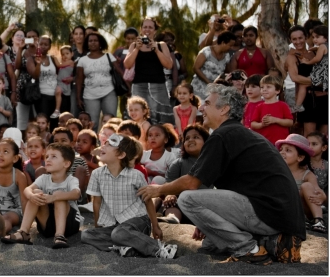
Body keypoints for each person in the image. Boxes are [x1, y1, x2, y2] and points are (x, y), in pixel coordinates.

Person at [138, 84, 306, 265]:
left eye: (208, 103)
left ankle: (250, 249)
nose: (202, 107)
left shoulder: (222, 135)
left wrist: (158, 190)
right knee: (211, 243)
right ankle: (274, 243)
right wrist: (208, 222)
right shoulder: (239, 133)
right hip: (282, 216)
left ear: (224, 109)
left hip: (269, 213)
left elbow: (191, 183)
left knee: (187, 199)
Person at [81, 134, 177, 259]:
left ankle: (159, 248)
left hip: (139, 221)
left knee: (119, 233)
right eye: (105, 143)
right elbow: (97, 202)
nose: (104, 146)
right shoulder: (97, 174)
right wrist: (98, 226)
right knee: (86, 235)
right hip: (115, 225)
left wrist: (155, 226)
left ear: (121, 155)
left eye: (110, 145)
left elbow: (147, 201)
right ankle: (125, 246)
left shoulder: (136, 175)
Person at [2, 143, 83, 249]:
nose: (48, 159)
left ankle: (60, 236)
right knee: (36, 193)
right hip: (47, 226)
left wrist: (54, 197)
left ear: (66, 164)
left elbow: (76, 194)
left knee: (59, 195)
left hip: (70, 225)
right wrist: (31, 196)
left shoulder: (71, 180)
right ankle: (23, 232)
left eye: (53, 156)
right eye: (47, 156)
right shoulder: (44, 178)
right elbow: (27, 189)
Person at [123, 18, 174, 125]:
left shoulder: (161, 45)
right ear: (141, 29)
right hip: (139, 86)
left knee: (161, 118)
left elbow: (169, 65)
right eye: (145, 27)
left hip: (158, 86)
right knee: (138, 117)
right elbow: (127, 65)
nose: (147, 29)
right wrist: (137, 48)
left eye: (150, 27)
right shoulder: (134, 45)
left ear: (155, 31)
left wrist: (156, 49)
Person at [276, 134, 327, 233]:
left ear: (300, 157)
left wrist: (322, 196)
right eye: (281, 149)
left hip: (304, 210)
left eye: (288, 150)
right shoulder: (278, 172)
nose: (282, 152)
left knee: (306, 186)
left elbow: (317, 191)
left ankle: (318, 220)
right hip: (287, 210)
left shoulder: (306, 174)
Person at [160, 125, 210, 224]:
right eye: (187, 138)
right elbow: (168, 185)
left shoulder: (213, 163)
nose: (190, 140)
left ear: (206, 143)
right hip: (182, 206)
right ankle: (173, 218)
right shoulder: (178, 163)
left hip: (205, 204)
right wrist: (170, 195)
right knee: (171, 202)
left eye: (196, 137)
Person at [76, 32, 123, 132]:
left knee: (111, 121)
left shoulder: (108, 56)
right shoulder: (82, 60)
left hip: (109, 92)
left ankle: (112, 143)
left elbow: (119, 72)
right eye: (90, 41)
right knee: (93, 123)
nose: (93, 43)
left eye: (95, 41)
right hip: (90, 95)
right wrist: (78, 97)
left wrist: (128, 87)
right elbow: (79, 80)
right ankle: (93, 144)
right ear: (87, 43)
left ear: (100, 43)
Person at [285, 25, 327, 136]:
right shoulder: (292, 57)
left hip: (325, 99)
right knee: (310, 136)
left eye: (300, 38)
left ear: (306, 37)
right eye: (294, 39)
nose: (298, 41)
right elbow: (295, 77)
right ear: (290, 40)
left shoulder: (316, 52)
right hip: (309, 100)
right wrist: (317, 81)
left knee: (325, 138)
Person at [191, 31, 237, 104]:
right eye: (230, 45)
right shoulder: (206, 51)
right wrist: (209, 82)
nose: (231, 48)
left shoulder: (227, 56)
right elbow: (196, 68)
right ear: (223, 42)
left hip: (214, 90)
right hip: (199, 88)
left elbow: (227, 72)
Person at [250, 75, 293, 146]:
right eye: (262, 87)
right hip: (264, 143)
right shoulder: (259, 107)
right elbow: (253, 124)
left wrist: (275, 120)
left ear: (277, 90)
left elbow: (290, 122)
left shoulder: (283, 105)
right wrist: (262, 124)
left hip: (281, 142)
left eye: (268, 87)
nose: (264, 89)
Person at [294, 25, 328, 113]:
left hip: (322, 74)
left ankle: (297, 106)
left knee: (303, 85)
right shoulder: (325, 46)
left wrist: (307, 62)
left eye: (317, 37)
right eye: (313, 37)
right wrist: (315, 48)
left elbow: (317, 59)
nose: (314, 39)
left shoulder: (322, 47)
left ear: (326, 37)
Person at [14, 29, 40, 131]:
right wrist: (20, 49)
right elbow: (17, 66)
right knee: (21, 120)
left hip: (38, 87)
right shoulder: (24, 51)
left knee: (38, 118)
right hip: (23, 88)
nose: (32, 39)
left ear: (38, 38)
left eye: (34, 36)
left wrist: (38, 47)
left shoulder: (42, 50)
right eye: (29, 37)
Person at [51, 45, 75, 118]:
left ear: (72, 54)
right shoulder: (63, 63)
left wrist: (54, 58)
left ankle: (57, 110)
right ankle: (57, 109)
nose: (65, 56)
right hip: (60, 83)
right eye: (63, 54)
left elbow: (58, 65)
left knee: (58, 91)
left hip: (64, 84)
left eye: (67, 53)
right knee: (58, 92)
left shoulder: (70, 62)